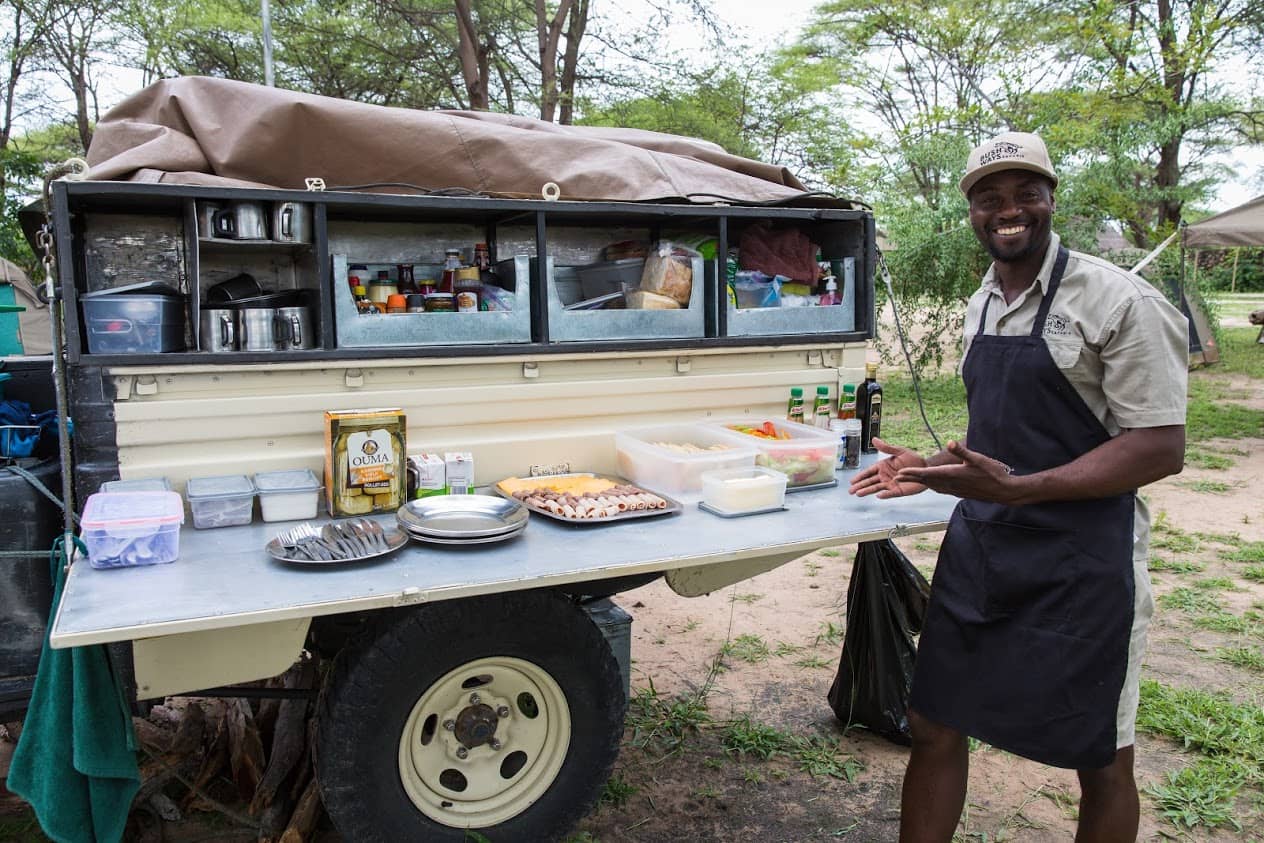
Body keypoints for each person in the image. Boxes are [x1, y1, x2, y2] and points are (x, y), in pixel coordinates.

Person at [849, 131, 1188, 843]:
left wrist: (1021, 487)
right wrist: (934, 470)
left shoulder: (1119, 299)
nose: (1009, 210)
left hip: (1084, 559)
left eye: (1026, 193)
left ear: (1051, 198)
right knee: (934, 720)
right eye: (989, 197)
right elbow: (1000, 443)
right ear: (971, 211)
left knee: (1100, 756)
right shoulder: (982, 301)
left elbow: (1159, 444)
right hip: (986, 545)